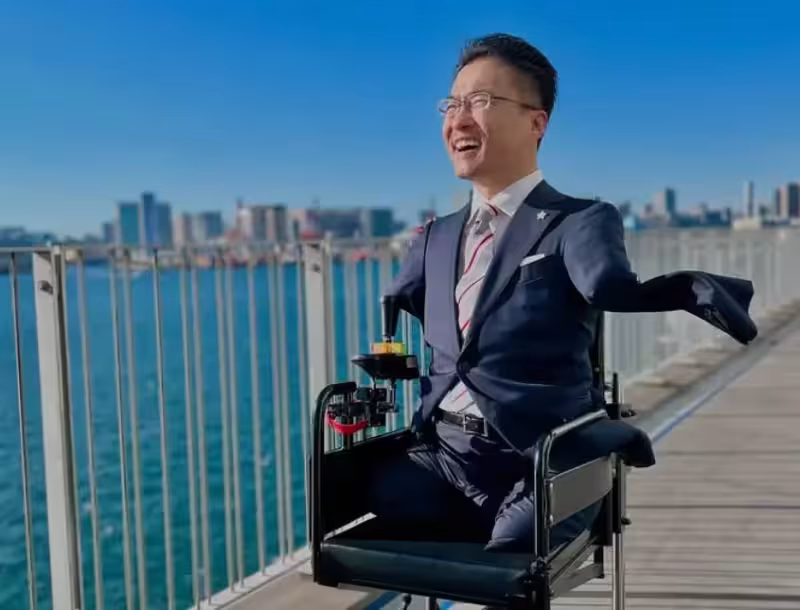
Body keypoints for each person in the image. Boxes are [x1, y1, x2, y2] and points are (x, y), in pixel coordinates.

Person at [367, 33, 757, 555]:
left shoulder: (580, 220)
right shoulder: (434, 237)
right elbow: (408, 310)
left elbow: (609, 285)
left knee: (514, 555)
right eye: (452, 105)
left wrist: (696, 290)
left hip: (544, 453)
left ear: (537, 122)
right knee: (358, 500)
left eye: (480, 101)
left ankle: (607, 437)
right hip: (446, 451)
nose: (458, 120)